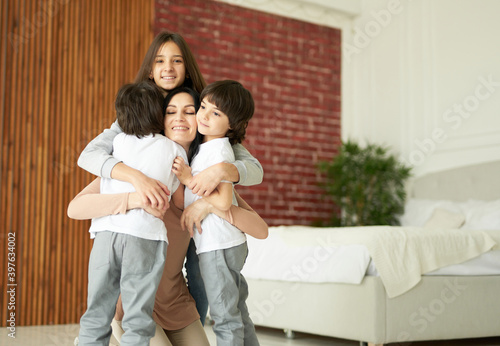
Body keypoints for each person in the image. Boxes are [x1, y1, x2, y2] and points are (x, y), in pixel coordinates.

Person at [72, 85, 267, 346]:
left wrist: (210, 204)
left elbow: (260, 229)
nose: (179, 118)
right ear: (159, 119)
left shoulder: (205, 179)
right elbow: (75, 208)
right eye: (171, 111)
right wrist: (134, 197)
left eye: (189, 111)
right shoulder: (138, 169)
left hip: (176, 304)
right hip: (134, 303)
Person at [77, 81, 187, 346]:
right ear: (159, 115)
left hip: (106, 234)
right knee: (137, 317)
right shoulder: (174, 150)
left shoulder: (114, 143)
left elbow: (89, 158)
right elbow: (172, 194)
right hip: (145, 237)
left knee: (97, 310)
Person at [173, 80, 259, 346]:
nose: (204, 116)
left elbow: (222, 201)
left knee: (224, 317)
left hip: (218, 245)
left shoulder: (220, 151)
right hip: (223, 243)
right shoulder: (209, 148)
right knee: (237, 311)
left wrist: (188, 180)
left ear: (233, 124)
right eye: (203, 107)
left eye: (216, 113)